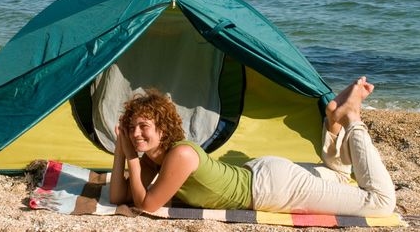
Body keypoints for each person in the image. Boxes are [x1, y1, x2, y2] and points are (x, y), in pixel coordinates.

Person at [109, 77, 396, 217]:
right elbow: (118, 197)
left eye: (143, 126)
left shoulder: (181, 154)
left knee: (381, 202)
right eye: (131, 127)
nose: (135, 133)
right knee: (338, 174)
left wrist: (132, 158)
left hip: (271, 189)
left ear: (162, 128)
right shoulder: (155, 159)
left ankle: (352, 119)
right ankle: (333, 124)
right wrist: (122, 151)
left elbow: (147, 204)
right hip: (262, 174)